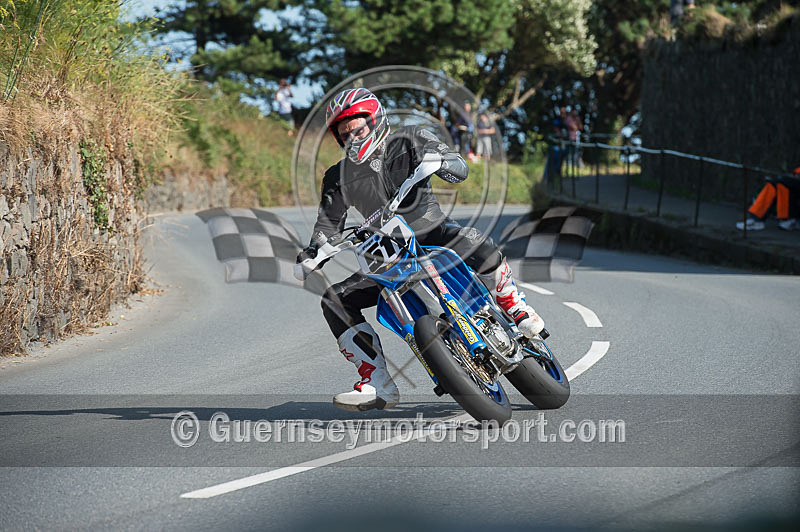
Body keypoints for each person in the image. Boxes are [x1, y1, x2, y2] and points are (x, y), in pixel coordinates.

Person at [297, 88, 546, 412]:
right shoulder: (336, 176)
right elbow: (329, 223)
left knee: (471, 239)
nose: (352, 139)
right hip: (387, 254)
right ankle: (376, 380)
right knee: (335, 300)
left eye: (357, 130)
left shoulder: (411, 139)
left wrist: (441, 161)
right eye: (344, 135)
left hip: (432, 230)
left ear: (376, 122)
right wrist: (314, 250)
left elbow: (458, 166)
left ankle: (515, 307)